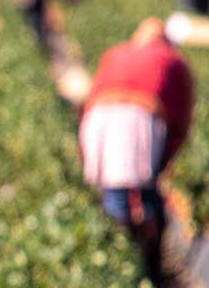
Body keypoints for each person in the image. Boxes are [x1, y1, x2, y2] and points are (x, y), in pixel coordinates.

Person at [79, 18, 195, 253]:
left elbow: (93, 94)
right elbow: (181, 117)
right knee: (141, 189)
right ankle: (147, 255)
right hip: (135, 119)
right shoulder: (173, 59)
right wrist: (166, 157)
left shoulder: (116, 53)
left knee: (113, 189)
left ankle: (124, 252)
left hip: (97, 118)